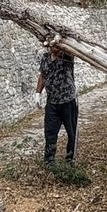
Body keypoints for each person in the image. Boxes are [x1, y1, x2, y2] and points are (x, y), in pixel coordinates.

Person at [34, 36, 78, 164]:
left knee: (72, 132)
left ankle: (70, 159)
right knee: (50, 132)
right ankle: (49, 161)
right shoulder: (45, 58)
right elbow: (43, 75)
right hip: (52, 102)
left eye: (55, 45)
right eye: (51, 45)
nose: (53, 48)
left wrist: (60, 42)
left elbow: (72, 49)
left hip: (68, 101)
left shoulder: (67, 56)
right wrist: (38, 93)